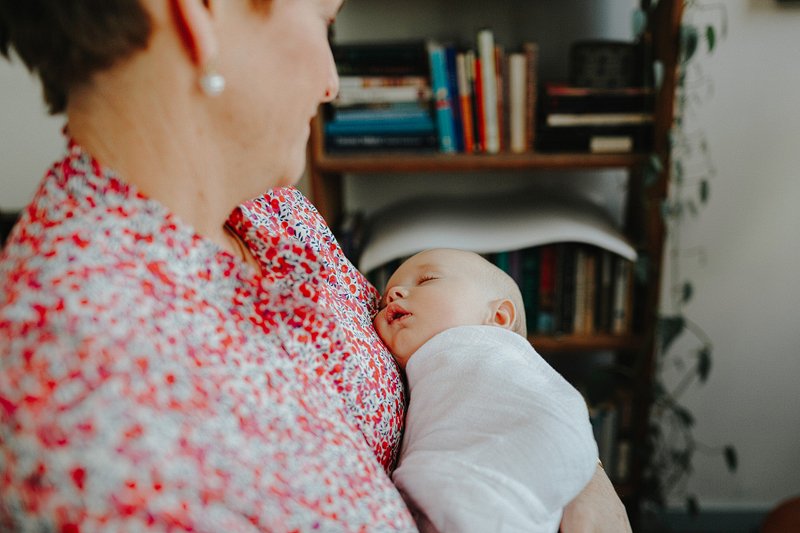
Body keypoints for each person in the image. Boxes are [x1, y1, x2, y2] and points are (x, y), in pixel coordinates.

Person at [0, 1, 629, 531]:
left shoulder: (268, 211)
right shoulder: (85, 391)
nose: (331, 83)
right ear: (200, 11)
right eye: (323, 22)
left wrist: (569, 463)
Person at [374, 248, 603, 532]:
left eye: (427, 280)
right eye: (383, 301)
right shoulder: (416, 374)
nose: (394, 293)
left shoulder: (485, 347)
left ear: (499, 317)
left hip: (523, 442)